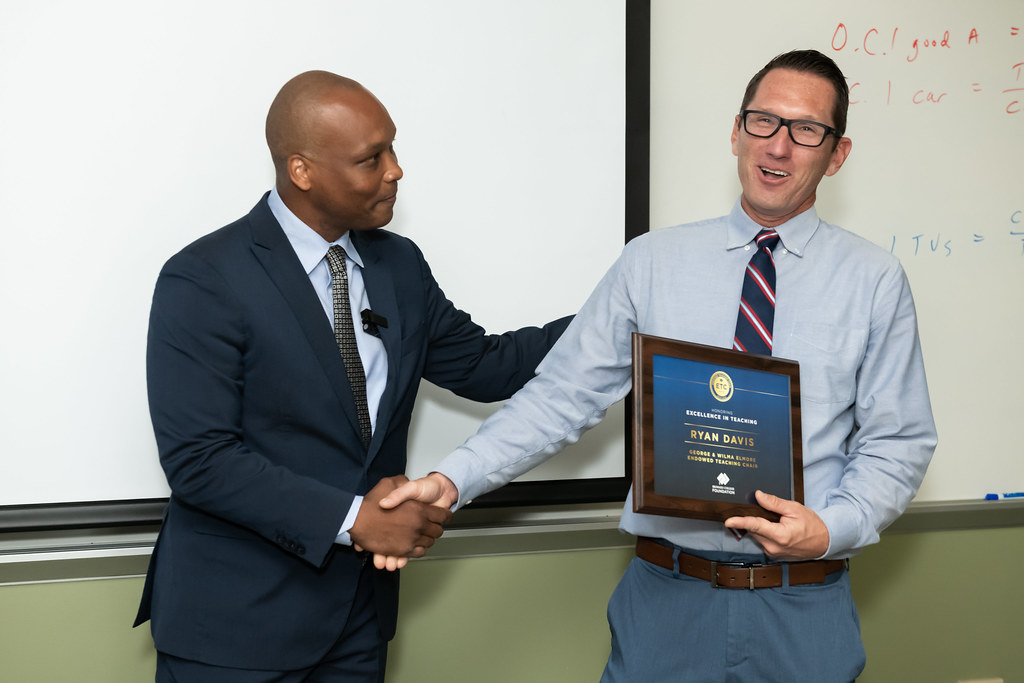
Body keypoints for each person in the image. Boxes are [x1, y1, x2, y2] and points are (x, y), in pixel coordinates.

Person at [378, 50, 937, 682]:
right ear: (735, 131)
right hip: (668, 599)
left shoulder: (874, 280)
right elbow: (562, 396)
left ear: (836, 154)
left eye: (806, 130)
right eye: (763, 122)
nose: (778, 146)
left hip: (803, 603)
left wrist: (832, 529)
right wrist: (453, 479)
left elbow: (899, 440)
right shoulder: (651, 262)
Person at [133, 70, 570, 682]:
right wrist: (354, 518)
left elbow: (487, 365)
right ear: (301, 171)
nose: (395, 170)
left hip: (357, 625)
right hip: (233, 630)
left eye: (392, 148)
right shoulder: (205, 277)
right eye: (372, 158)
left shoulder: (398, 263)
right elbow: (200, 460)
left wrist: (619, 313)